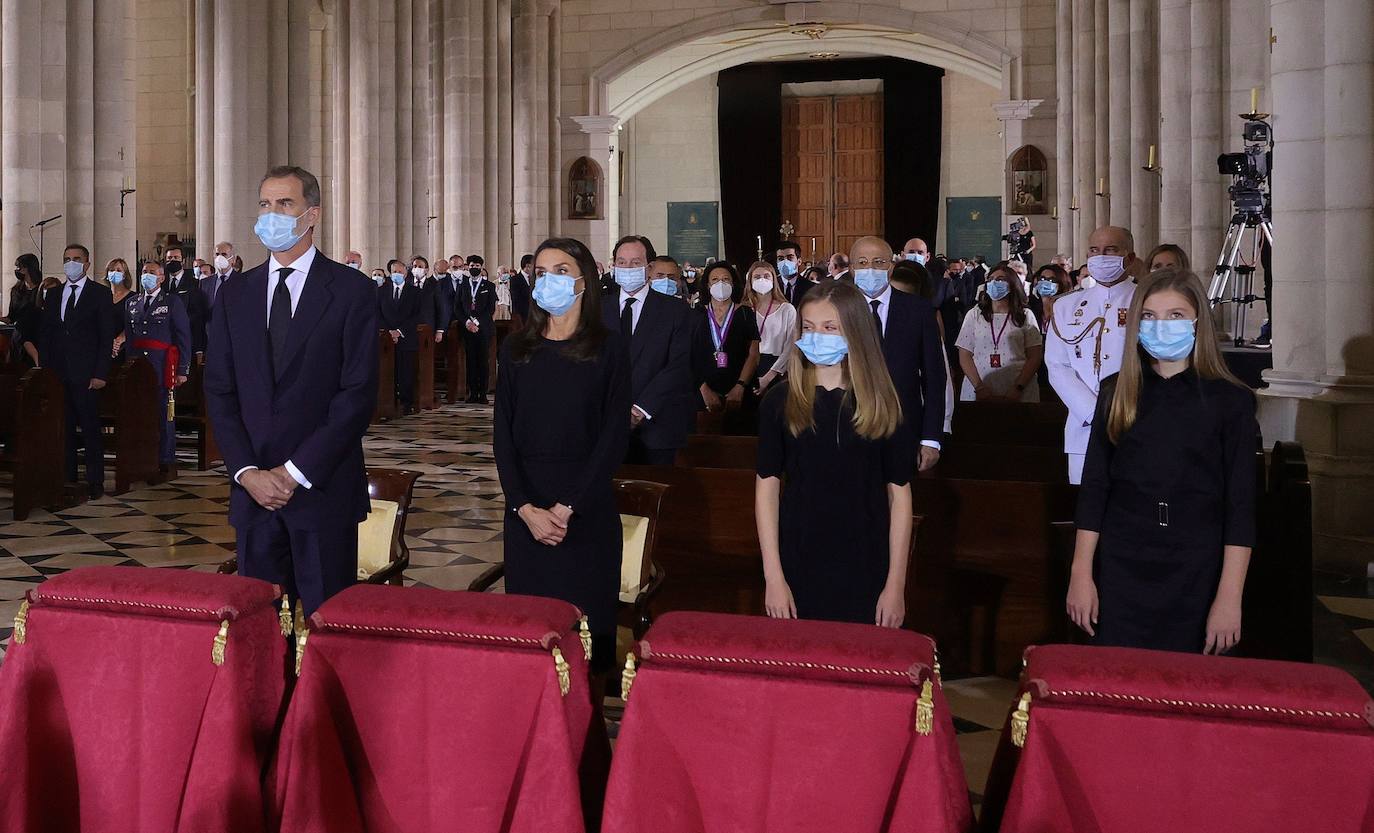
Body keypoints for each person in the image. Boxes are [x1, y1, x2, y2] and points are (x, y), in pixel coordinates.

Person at [204, 164, 378, 617]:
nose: (272, 214)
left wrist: (294, 472)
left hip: (322, 492)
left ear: (312, 214)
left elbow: (356, 395)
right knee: (260, 633)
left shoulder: (351, 290)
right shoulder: (235, 295)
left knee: (327, 630)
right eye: (265, 204)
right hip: (254, 494)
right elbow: (221, 393)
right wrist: (247, 472)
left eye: (285, 204)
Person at [1067, 268, 1256, 654]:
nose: (1161, 326)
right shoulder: (1117, 392)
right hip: (1124, 559)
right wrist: (1080, 573)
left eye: (1175, 316)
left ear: (1197, 321)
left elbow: (1241, 506)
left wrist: (1229, 597)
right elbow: (1095, 488)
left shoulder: (1229, 400)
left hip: (1196, 564)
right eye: (1150, 317)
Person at [494, 236, 630, 675]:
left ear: (583, 282)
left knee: (586, 643)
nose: (547, 280)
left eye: (560, 271)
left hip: (585, 513)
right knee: (532, 642)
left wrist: (568, 506)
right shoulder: (516, 349)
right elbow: (503, 439)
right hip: (526, 515)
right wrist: (525, 507)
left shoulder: (609, 349)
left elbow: (612, 438)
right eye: (540, 273)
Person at [756, 280, 913, 626]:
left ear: (854, 332)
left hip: (865, 557)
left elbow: (899, 496)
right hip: (798, 554)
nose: (818, 337)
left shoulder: (882, 403)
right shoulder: (779, 402)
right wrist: (773, 577)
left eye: (830, 328)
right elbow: (767, 489)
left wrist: (896, 584)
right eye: (809, 328)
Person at [1045, 225, 1140, 485]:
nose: (1101, 257)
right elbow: (1057, 366)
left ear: (1129, 258)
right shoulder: (1066, 306)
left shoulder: (1145, 300)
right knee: (1087, 507)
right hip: (1083, 427)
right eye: (1094, 250)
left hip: (1135, 422)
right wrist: (1092, 411)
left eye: (1110, 250)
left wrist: (1124, 410)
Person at [848, 236, 947, 471]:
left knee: (900, 499)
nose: (869, 269)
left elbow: (934, 377)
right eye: (862, 263)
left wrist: (931, 438)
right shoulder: (837, 310)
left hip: (903, 428)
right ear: (851, 270)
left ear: (891, 267)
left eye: (878, 262)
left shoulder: (918, 310)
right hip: (848, 426)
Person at [603, 238, 694, 466]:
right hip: (606, 426)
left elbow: (677, 366)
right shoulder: (597, 309)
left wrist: (639, 410)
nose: (627, 268)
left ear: (649, 267)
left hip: (658, 426)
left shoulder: (675, 310)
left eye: (635, 263)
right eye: (621, 262)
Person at [39, 244, 117, 499]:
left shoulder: (99, 294)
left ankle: (94, 481)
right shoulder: (53, 294)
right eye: (66, 259)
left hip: (87, 374)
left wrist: (100, 373)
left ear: (86, 264)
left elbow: (106, 338)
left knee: (90, 428)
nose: (70, 263)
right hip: (59, 374)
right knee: (64, 428)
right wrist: (46, 371)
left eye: (76, 259)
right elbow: (47, 335)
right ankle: (67, 476)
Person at [124, 259, 192, 474]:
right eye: (144, 271)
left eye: (152, 272)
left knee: (164, 412)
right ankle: (141, 456)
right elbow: (130, 336)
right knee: (140, 411)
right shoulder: (132, 302)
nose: (147, 275)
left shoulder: (172, 302)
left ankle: (165, 458)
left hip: (162, 364)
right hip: (138, 366)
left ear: (162, 277)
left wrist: (182, 369)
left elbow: (183, 337)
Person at [955, 261, 1043, 403]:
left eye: (1000, 279)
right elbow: (965, 355)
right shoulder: (974, 314)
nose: (994, 283)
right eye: (991, 280)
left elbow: (1034, 356)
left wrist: (1018, 387)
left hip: (1019, 390)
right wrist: (979, 387)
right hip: (979, 388)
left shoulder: (1026, 315)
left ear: (1012, 284)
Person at [692, 262, 760, 420]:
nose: (720, 284)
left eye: (725, 279)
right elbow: (690, 354)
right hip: (704, 389)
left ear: (733, 283)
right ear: (708, 285)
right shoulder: (696, 314)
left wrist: (740, 386)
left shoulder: (745, 313)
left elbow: (753, 353)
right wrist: (703, 389)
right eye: (715, 280)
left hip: (740, 387)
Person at [740, 260, 796, 394]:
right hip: (747, 367)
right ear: (750, 281)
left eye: (766, 276)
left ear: (773, 279)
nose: (762, 280)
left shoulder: (787, 309)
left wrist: (768, 377)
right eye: (757, 277)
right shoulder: (743, 310)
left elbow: (791, 346)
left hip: (777, 369)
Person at [378, 259, 422, 413]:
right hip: (386, 339)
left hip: (406, 337)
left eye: (400, 272)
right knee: (388, 372)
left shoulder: (415, 292)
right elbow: (378, 313)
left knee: (405, 371)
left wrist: (399, 331)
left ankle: (406, 402)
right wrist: (389, 331)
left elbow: (416, 315)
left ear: (405, 273)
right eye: (394, 272)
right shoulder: (381, 291)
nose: (397, 274)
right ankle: (388, 401)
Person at [458, 256, 497, 403]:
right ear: (469, 267)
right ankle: (472, 392)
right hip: (468, 328)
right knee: (471, 361)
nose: (475, 267)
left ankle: (483, 393)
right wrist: (468, 322)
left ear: (481, 267)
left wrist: (477, 322)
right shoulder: (463, 286)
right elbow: (458, 307)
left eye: (478, 265)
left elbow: (490, 308)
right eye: (472, 265)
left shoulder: (489, 286)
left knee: (483, 361)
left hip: (483, 328)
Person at [162, 245, 209, 356]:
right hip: (164, 340)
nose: (172, 260)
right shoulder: (160, 282)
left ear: (182, 261)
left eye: (176, 258)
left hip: (187, 338)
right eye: (169, 258)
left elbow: (198, 316)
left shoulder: (194, 283)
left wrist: (199, 348)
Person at [6, 253, 44, 366]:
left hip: (36, 336)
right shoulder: (16, 291)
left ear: (28, 268)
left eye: (20, 267)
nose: (17, 270)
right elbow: (11, 318)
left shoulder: (41, 289)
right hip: (19, 336)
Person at [776, 241, 811, 306]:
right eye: (781, 259)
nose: (785, 262)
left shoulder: (811, 288)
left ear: (799, 261)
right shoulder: (772, 286)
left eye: (790, 258)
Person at [511, 254, 533, 322]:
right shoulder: (515, 279)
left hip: (534, 314)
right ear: (527, 266)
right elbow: (515, 298)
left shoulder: (535, 279)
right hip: (521, 315)